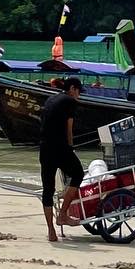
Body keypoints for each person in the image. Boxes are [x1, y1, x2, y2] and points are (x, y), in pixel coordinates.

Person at [39, 77, 85, 243]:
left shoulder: (52, 98)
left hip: (44, 148)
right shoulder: (70, 101)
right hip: (59, 148)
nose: (79, 95)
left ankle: (51, 231)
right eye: (79, 91)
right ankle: (63, 214)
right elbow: (69, 128)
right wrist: (71, 147)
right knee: (78, 174)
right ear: (72, 88)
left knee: (48, 190)